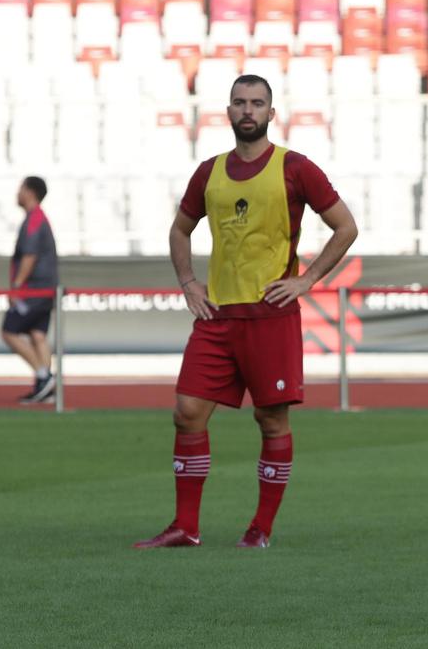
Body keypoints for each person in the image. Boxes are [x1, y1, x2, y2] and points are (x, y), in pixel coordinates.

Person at [135, 74, 358, 549]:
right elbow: (179, 230)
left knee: (271, 421)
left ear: (271, 113)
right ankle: (185, 527)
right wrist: (188, 282)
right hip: (217, 317)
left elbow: (345, 227)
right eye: (240, 102)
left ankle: (260, 529)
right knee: (187, 412)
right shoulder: (209, 172)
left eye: (257, 103)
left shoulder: (295, 168)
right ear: (228, 111)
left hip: (271, 316)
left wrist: (306, 280)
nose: (248, 110)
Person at [1, 176, 59, 404]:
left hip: (34, 291)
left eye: (21, 189)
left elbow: (29, 257)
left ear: (30, 192)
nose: (17, 193)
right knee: (38, 335)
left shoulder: (34, 220)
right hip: (45, 289)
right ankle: (46, 390)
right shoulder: (37, 218)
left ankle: (44, 377)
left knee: (9, 332)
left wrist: (16, 288)